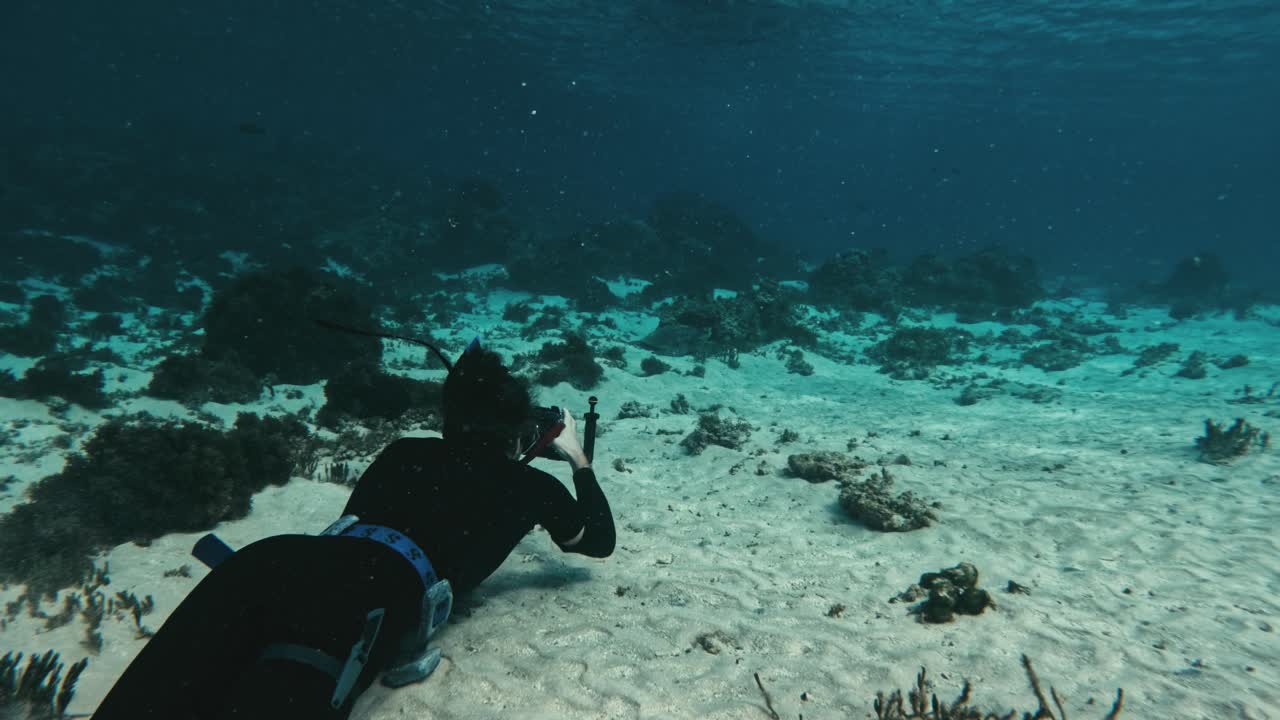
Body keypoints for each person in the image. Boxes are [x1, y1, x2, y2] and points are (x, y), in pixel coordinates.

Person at [93, 342, 615, 719]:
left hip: (270, 561)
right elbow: (598, 540)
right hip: (363, 599)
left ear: (447, 415)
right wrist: (576, 458)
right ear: (517, 426)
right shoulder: (528, 487)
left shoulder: (402, 452)